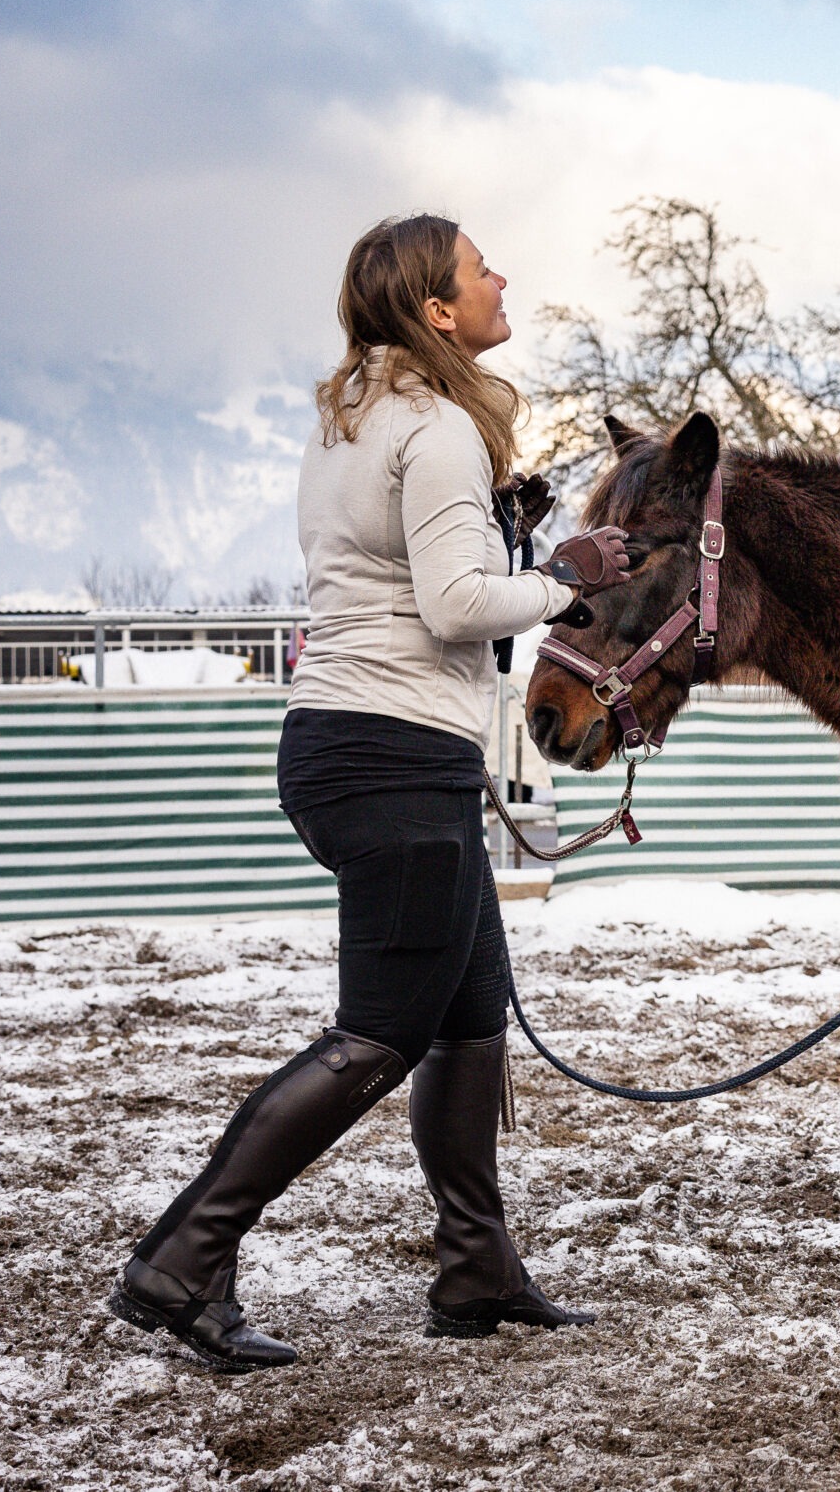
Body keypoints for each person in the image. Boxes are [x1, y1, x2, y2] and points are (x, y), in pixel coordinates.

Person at [108, 214, 634, 1372]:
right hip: (392, 756)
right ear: (438, 312)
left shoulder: (359, 416)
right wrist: (560, 578)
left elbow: (403, 581)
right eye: (479, 268)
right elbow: (454, 610)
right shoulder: (438, 428)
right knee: (380, 1032)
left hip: (362, 747)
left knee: (468, 1015)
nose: (502, 278)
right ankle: (182, 1262)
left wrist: (509, 541)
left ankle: (476, 1269)